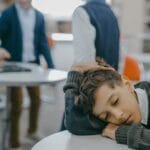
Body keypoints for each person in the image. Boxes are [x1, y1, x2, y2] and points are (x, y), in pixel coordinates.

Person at [0, 0, 54, 149]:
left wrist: (51, 65)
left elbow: (43, 42)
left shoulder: (38, 16)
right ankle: (14, 142)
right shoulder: (8, 14)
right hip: (14, 66)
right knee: (16, 104)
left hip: (33, 66)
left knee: (36, 99)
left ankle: (31, 131)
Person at [63, 59, 150, 150]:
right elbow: (73, 122)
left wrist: (122, 133)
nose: (118, 116)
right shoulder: (113, 120)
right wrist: (75, 72)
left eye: (115, 101)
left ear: (127, 85)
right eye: (106, 116)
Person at [72, 0, 120, 70]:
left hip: (93, 79)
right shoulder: (112, 13)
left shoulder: (82, 12)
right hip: (112, 78)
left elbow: (84, 62)